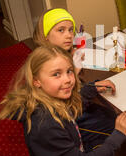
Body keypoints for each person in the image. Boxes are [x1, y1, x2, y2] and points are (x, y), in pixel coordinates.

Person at [0, 45, 126, 156]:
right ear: (36, 81)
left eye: (69, 71)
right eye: (56, 74)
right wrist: (117, 136)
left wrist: (91, 89)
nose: (68, 79)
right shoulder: (45, 125)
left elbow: (69, 108)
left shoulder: (47, 99)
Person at [33, 8, 117, 146]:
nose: (69, 35)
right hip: (64, 118)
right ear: (45, 35)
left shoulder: (61, 54)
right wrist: (73, 71)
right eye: (61, 30)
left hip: (70, 107)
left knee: (107, 111)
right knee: (110, 119)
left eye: (71, 30)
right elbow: (63, 104)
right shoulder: (44, 64)